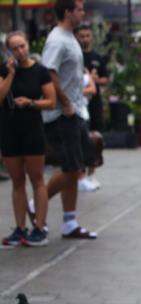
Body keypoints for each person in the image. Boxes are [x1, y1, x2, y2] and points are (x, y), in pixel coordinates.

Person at [41, 0, 97, 239]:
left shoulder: (69, 37)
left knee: (76, 167)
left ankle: (69, 222)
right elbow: (49, 72)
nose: (83, 13)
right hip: (62, 114)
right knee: (71, 167)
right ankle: (37, 204)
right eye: (80, 9)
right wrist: (64, 102)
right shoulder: (56, 40)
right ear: (67, 12)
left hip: (75, 111)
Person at [0, 31, 55, 247]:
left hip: (32, 129)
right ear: (8, 50)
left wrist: (31, 103)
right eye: (15, 48)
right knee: (17, 181)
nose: (20, 51)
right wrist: (11, 74)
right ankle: (20, 228)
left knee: (37, 179)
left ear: (27, 44)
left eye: (22, 46)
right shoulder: (5, 70)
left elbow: (51, 101)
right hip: (9, 130)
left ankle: (39, 227)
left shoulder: (40, 71)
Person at [75, 22, 107, 192]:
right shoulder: (75, 56)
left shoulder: (97, 58)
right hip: (78, 103)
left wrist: (94, 80)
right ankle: (79, 173)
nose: (85, 39)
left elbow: (105, 79)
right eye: (82, 36)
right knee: (80, 137)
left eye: (88, 35)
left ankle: (92, 173)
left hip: (94, 103)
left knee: (95, 137)